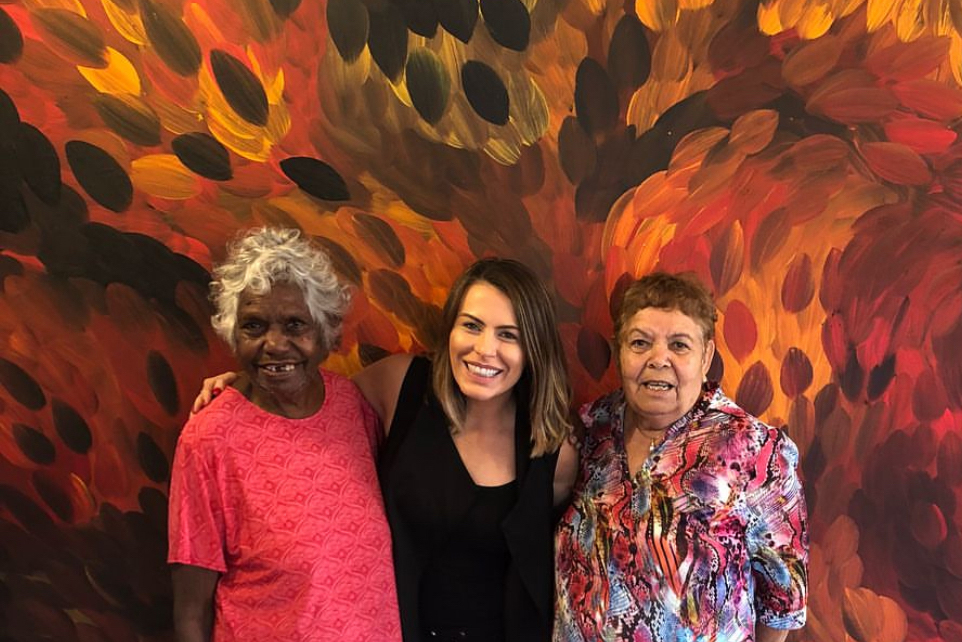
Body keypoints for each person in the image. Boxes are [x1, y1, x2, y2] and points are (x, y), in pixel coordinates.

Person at [195, 257, 578, 642]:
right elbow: (314, 403)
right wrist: (255, 382)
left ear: (533, 349)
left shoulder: (552, 457)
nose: (484, 349)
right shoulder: (401, 385)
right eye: (472, 326)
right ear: (451, 329)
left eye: (508, 335)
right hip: (385, 630)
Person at [168, 228, 401, 642]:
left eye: (295, 325)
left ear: (325, 332)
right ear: (232, 332)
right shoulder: (208, 439)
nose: (275, 345)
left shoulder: (352, 405)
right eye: (254, 326)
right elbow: (191, 612)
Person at [554, 272, 809, 642]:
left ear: (706, 355)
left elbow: (783, 603)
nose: (659, 359)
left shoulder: (755, 449)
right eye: (640, 343)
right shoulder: (589, 429)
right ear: (620, 351)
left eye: (679, 345)